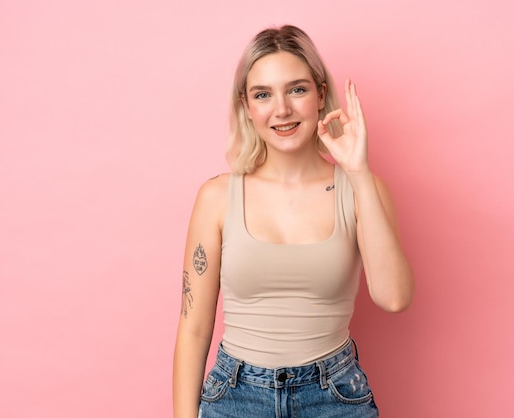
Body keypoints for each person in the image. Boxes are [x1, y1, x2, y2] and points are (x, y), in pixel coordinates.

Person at [173, 24, 414, 418]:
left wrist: (357, 172)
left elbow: (394, 297)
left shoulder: (361, 189)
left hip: (333, 395)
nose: (281, 109)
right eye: (263, 94)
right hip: (235, 397)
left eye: (297, 89)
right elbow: (193, 330)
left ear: (320, 95)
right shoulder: (216, 198)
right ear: (247, 107)